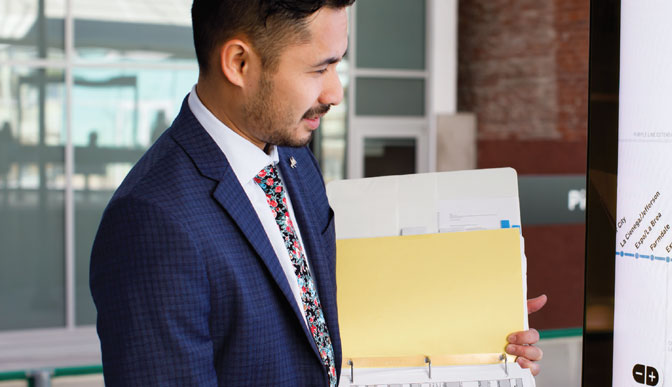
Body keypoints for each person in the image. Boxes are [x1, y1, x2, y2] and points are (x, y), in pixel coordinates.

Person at [90, 1, 545, 385]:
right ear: (239, 63)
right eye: (319, 68)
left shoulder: (291, 157)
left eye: (338, 64)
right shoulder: (153, 219)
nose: (336, 92)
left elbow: (319, 327)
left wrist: (477, 327)